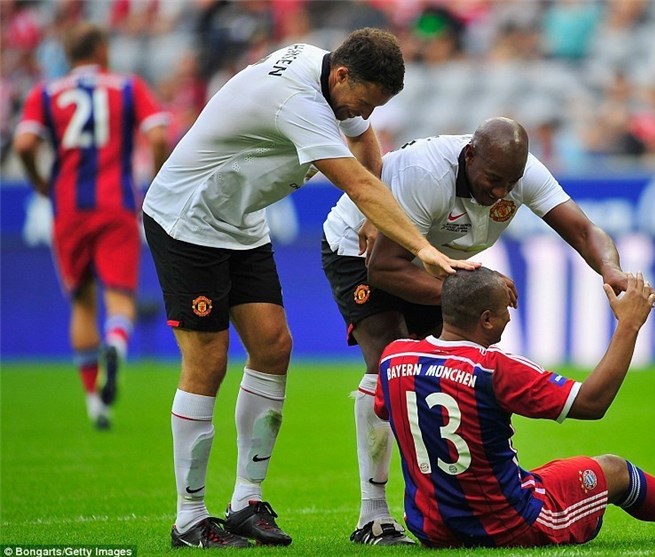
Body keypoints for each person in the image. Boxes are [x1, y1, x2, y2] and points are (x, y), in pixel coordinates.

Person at [141, 28, 477, 549]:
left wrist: (372, 219)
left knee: (274, 346)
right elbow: (358, 183)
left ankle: (246, 501)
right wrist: (423, 248)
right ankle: (189, 517)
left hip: (240, 220)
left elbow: (366, 143)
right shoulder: (299, 102)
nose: (361, 114)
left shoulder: (332, 75)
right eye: (363, 101)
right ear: (342, 76)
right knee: (208, 361)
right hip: (187, 219)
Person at [321, 116, 642, 545]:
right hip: (362, 252)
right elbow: (384, 268)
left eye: (511, 183)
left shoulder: (517, 173)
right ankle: (373, 515)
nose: (501, 193)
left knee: (442, 368)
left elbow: (584, 232)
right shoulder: (425, 174)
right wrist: (470, 289)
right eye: (493, 180)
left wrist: (611, 268)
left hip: (442, 265)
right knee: (388, 361)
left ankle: (457, 498)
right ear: (469, 155)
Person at [375, 266, 655, 547]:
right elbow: (592, 403)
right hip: (509, 525)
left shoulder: (394, 358)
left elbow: (383, 412)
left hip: (430, 527)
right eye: (504, 310)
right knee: (615, 470)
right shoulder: (495, 369)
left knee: (548, 472)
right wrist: (629, 325)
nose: (509, 316)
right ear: (486, 320)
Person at [13, 22, 170, 430]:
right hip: (116, 205)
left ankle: (95, 404)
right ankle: (116, 343)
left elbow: (24, 143)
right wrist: (155, 181)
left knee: (82, 303)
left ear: (67, 54)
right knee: (119, 297)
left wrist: (40, 181)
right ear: (101, 49)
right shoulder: (128, 87)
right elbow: (157, 136)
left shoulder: (45, 93)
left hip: (68, 208)